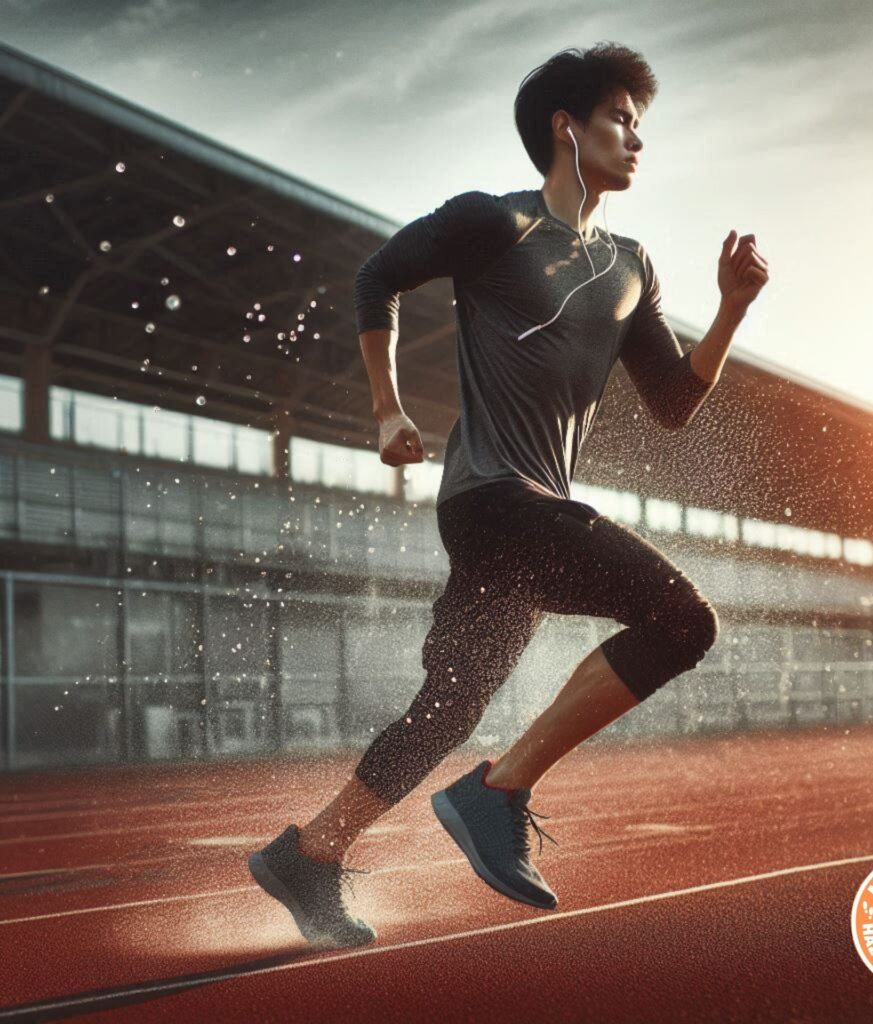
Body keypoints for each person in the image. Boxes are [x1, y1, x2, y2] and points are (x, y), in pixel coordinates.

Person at [248, 42, 769, 948]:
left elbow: (674, 404)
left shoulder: (634, 264)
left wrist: (730, 310)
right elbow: (379, 277)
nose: (637, 139)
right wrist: (386, 413)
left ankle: (312, 852)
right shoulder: (494, 222)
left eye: (641, 125)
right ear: (567, 127)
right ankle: (498, 793)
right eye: (620, 119)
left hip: (524, 518)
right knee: (685, 622)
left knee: (447, 708)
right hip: (495, 498)